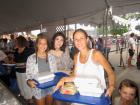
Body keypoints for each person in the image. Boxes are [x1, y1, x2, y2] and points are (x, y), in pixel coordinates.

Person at [55, 29, 115, 105]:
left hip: (96, 96)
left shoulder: (96, 54)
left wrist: (111, 87)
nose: (78, 41)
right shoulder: (76, 56)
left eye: (81, 38)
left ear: (87, 39)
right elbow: (75, 75)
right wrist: (66, 83)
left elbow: (110, 73)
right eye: (76, 39)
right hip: (80, 95)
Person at [26, 33, 57, 105]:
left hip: (51, 87)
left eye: (45, 43)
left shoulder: (51, 57)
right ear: (37, 44)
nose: (43, 46)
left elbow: (55, 73)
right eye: (40, 43)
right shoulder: (31, 58)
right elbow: (28, 76)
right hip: (38, 88)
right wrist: (29, 82)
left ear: (47, 44)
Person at [13, 36, 34, 103]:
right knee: (20, 85)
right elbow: (15, 60)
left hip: (26, 71)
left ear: (20, 42)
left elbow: (32, 61)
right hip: (18, 70)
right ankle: (24, 97)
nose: (14, 42)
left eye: (16, 41)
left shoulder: (29, 50)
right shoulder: (16, 50)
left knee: (27, 86)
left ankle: (30, 99)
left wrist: (22, 64)